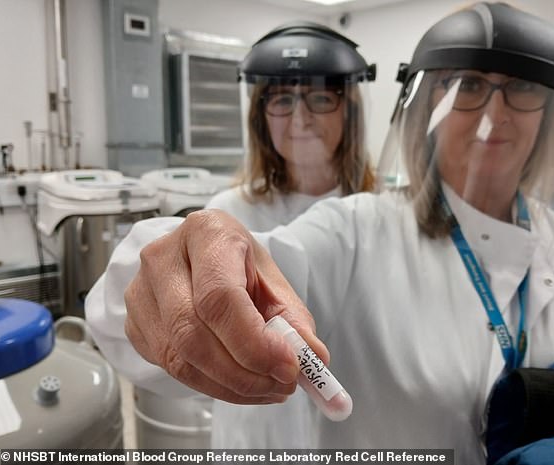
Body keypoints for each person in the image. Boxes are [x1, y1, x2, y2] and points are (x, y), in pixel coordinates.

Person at [88, 2, 554, 462]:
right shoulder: (356, 227)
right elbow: (208, 278)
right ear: (424, 111)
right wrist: (169, 267)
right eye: (465, 86)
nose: (495, 111)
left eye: (520, 88)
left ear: (552, 116)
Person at [86, 21, 376, 449]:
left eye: (320, 97)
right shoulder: (229, 210)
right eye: (280, 99)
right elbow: (135, 313)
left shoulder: (379, 214)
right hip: (255, 438)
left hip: (363, 435)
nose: (299, 117)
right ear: (259, 116)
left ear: (349, 111)